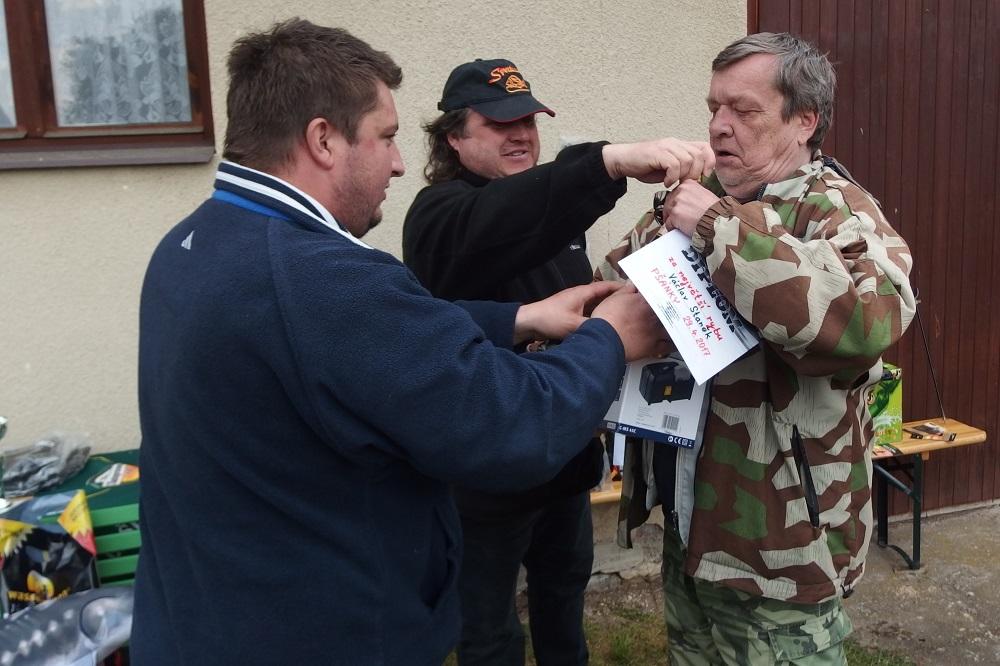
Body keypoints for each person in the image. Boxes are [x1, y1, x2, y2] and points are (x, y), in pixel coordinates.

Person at [130, 19, 669, 666]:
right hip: (319, 638)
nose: (397, 162)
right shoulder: (323, 279)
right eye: (384, 137)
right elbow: (511, 420)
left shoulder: (196, 242)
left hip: (216, 618)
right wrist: (610, 337)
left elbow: (366, 341)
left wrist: (519, 318)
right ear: (323, 140)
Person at [595, 32, 917, 665]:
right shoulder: (697, 197)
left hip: (783, 544)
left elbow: (866, 323)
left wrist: (716, 227)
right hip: (693, 519)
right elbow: (616, 284)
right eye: (714, 107)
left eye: (743, 110)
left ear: (804, 121)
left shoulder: (836, 213)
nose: (719, 126)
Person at [402, 58, 713, 665]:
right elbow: (503, 219)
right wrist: (608, 162)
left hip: (563, 464)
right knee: (488, 631)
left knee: (564, 603)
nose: (520, 135)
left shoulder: (550, 210)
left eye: (528, 121)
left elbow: (546, 225)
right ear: (453, 138)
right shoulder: (439, 214)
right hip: (485, 478)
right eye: (500, 124)